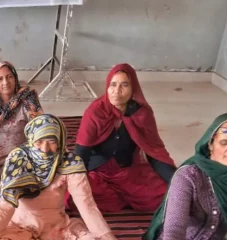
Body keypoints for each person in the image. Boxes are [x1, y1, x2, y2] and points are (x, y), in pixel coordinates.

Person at [0, 115, 129, 240]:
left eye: (51, 142)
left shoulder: (70, 163)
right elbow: (6, 206)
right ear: (31, 140)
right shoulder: (18, 159)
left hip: (56, 227)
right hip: (20, 226)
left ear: (60, 141)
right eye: (39, 141)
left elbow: (86, 205)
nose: (45, 148)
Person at [74, 63, 175, 213]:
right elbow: (82, 151)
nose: (117, 91)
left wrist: (176, 181)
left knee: (169, 195)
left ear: (133, 88)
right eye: (113, 85)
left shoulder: (142, 114)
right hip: (98, 172)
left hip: (128, 171)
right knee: (73, 196)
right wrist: (77, 181)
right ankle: (122, 198)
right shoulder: (95, 112)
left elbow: (154, 151)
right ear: (107, 87)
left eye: (124, 85)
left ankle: (120, 197)